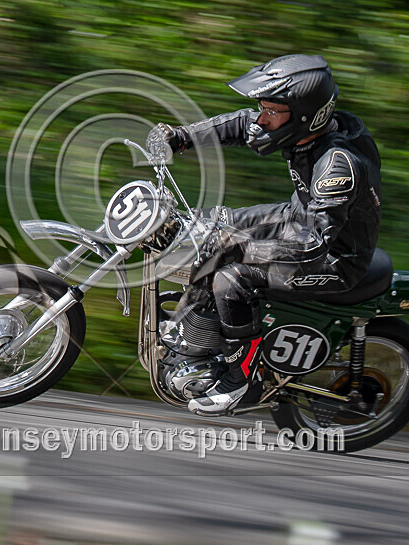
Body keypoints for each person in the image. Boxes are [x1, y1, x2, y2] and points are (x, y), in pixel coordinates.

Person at [146, 54, 382, 416]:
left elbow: (311, 245)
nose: (262, 118)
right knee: (203, 228)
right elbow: (241, 125)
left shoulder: (339, 165)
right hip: (297, 217)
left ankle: (242, 379)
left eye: (272, 111)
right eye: (263, 108)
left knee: (232, 277)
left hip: (334, 258)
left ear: (305, 115)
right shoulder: (302, 129)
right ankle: (192, 333)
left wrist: (241, 248)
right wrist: (179, 138)